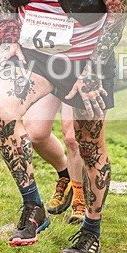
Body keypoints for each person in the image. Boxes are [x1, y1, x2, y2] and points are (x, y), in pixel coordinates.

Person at [0, 0, 127, 253]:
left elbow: (118, 12)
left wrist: (92, 67)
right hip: (32, 50)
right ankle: (33, 204)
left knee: (88, 144)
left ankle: (91, 232)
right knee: (1, 110)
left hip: (84, 56)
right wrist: (7, 39)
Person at [23, 95, 86, 224]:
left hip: (77, 77)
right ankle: (66, 175)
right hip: (49, 75)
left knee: (72, 137)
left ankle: (80, 198)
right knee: (35, 134)